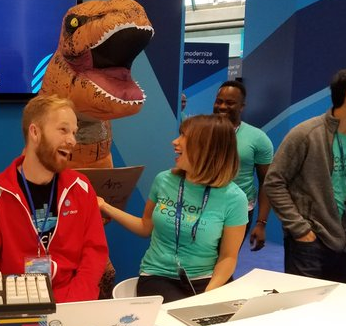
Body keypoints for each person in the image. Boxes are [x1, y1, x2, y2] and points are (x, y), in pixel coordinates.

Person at [0, 94, 108, 302]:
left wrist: (73, 302)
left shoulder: (81, 187)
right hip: (16, 306)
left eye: (74, 133)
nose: (72, 140)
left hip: (73, 303)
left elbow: (94, 253)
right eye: (63, 130)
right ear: (35, 132)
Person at [98, 114, 248, 303]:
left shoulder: (234, 198)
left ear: (206, 147)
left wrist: (210, 293)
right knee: (180, 320)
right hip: (159, 276)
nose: (174, 142)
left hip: (207, 280)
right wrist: (105, 206)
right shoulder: (164, 180)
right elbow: (145, 226)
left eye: (184, 136)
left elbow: (228, 257)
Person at [264, 67, 346, 284]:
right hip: (310, 243)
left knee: (336, 309)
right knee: (303, 310)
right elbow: (274, 182)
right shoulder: (306, 134)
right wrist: (300, 229)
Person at [213, 80, 274, 250]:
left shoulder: (258, 138)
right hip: (202, 206)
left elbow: (266, 182)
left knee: (226, 260)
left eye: (230, 103)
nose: (222, 106)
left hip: (238, 210)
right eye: (219, 101)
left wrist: (261, 223)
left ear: (242, 106)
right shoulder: (200, 130)